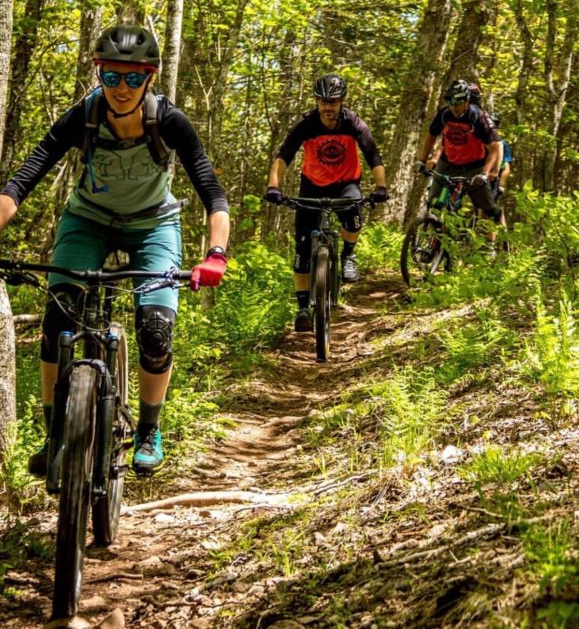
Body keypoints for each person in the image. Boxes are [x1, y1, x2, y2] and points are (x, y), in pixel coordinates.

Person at [0, 24, 230, 475]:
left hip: (153, 226)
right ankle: (54, 436)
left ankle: (148, 428)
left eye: (132, 78)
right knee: (57, 322)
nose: (121, 89)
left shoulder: (168, 122)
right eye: (111, 77)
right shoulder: (81, 117)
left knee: (156, 331)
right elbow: (22, 180)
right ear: (98, 74)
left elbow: (212, 193)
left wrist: (216, 254)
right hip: (87, 222)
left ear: (149, 78)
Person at [265, 73, 388, 332]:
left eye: (332, 102)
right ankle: (302, 309)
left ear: (342, 100)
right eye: (322, 102)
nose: (327, 107)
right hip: (312, 184)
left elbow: (373, 155)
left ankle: (349, 254)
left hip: (346, 184)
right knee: (301, 247)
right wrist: (273, 186)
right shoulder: (306, 124)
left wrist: (381, 186)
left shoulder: (353, 123)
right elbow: (283, 155)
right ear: (317, 101)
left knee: (353, 221)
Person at [417, 79, 504, 250]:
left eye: (458, 104)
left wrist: (485, 173)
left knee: (488, 207)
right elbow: (431, 136)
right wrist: (422, 159)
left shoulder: (478, 117)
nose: (454, 108)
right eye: (451, 103)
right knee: (434, 201)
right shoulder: (444, 114)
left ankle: (493, 245)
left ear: (466, 101)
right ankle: (437, 243)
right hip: (448, 163)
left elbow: (495, 147)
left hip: (474, 166)